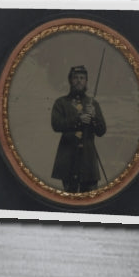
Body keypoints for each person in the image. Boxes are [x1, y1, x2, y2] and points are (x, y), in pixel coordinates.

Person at [50, 64, 107, 193]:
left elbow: (101, 131)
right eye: (76, 77)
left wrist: (94, 117)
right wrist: (78, 119)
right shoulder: (61, 103)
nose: (79, 81)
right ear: (70, 80)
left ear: (86, 81)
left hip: (88, 160)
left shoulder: (93, 104)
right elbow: (56, 125)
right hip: (68, 159)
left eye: (82, 78)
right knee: (70, 200)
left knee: (90, 200)